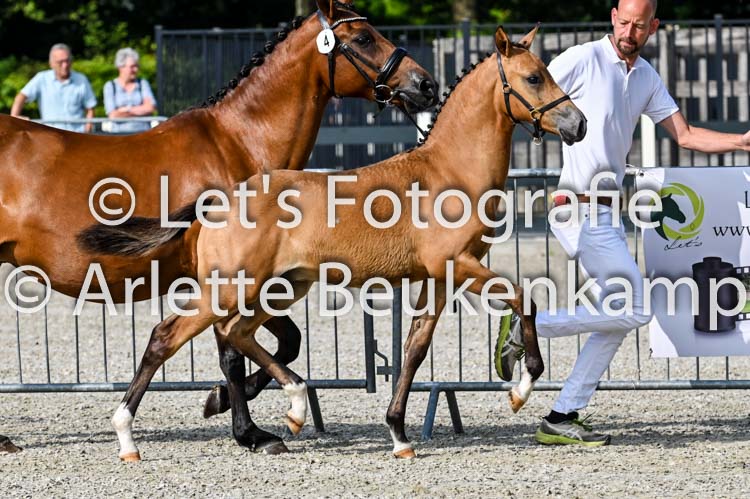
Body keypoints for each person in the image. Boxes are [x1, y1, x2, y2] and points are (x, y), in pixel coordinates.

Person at [496, 0, 750, 446]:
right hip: (577, 208)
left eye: (640, 25)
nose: (630, 32)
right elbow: (529, 93)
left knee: (615, 320)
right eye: (625, 22)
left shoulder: (646, 76)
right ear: (614, 17)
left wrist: (743, 142)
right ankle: (529, 324)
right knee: (636, 307)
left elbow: (686, 135)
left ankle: (562, 414)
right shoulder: (581, 58)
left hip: (607, 213)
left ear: (653, 27)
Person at [11, 43, 97, 133]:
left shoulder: (81, 79)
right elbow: (21, 97)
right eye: (60, 62)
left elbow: (90, 108)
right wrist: (15, 118)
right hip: (51, 136)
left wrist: (88, 129)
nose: (65, 65)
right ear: (51, 63)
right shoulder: (42, 78)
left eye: (67, 61)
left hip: (76, 136)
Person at [103, 48, 157, 133]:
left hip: (143, 133)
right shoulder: (110, 86)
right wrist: (140, 110)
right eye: (132, 66)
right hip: (118, 135)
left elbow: (150, 108)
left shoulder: (143, 83)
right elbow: (113, 115)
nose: (136, 69)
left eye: (136, 66)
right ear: (121, 67)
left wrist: (126, 109)